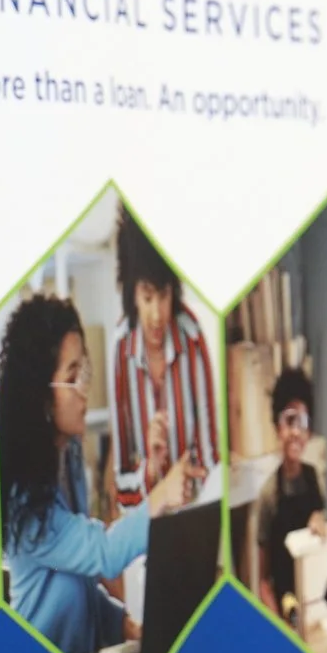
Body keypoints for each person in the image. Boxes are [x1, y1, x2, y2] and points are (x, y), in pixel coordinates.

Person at [0, 294, 156, 653]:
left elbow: (79, 584)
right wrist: (160, 501)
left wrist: (124, 625)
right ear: (41, 395)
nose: (84, 392)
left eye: (83, 374)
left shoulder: (67, 458)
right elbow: (104, 554)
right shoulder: (24, 499)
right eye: (72, 378)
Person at [110, 206, 216, 518]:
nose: (157, 315)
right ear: (132, 295)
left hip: (192, 516)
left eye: (164, 295)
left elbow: (211, 461)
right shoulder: (120, 349)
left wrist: (187, 485)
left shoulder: (192, 338)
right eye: (147, 297)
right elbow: (122, 488)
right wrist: (151, 470)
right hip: (145, 523)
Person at [249, 367, 326, 621]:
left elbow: (323, 546)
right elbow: (262, 581)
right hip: (283, 609)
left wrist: (319, 522)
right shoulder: (268, 495)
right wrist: (279, 626)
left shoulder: (314, 478)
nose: (295, 432)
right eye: (289, 421)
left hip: (315, 601)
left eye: (302, 423)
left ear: (309, 432)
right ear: (277, 427)